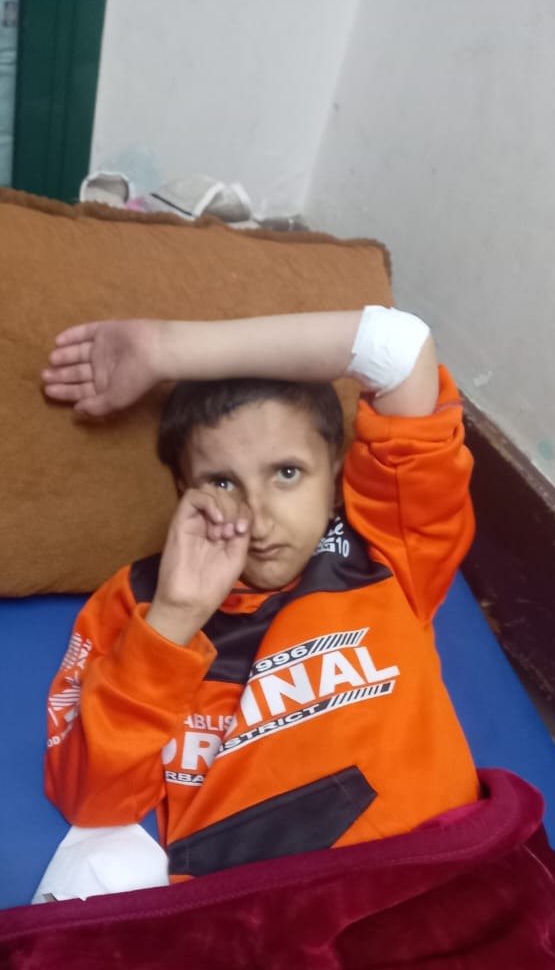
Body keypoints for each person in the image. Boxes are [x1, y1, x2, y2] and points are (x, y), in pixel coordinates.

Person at [42, 307, 479, 881]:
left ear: (335, 472)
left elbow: (398, 348)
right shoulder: (139, 601)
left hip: (442, 875)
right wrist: (174, 619)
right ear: (184, 488)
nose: (260, 518)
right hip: (260, 912)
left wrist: (163, 350)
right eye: (222, 482)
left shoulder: (387, 546)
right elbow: (92, 802)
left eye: (287, 473)